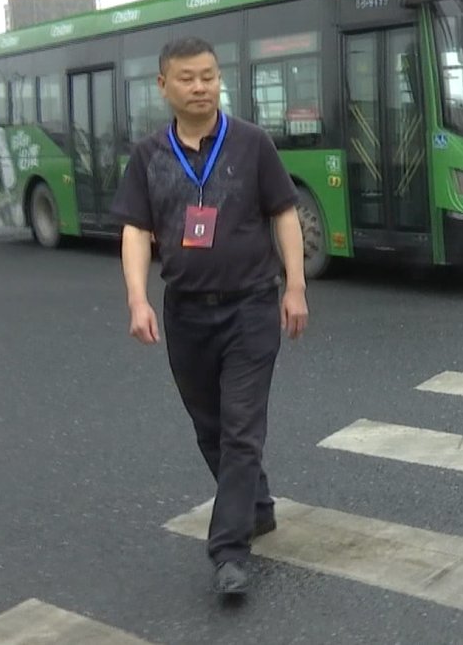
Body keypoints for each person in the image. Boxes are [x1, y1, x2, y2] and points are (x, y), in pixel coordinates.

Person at [111, 36, 309, 596]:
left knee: (242, 428)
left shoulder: (251, 143)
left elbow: (285, 214)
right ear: (163, 85)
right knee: (212, 429)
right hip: (186, 312)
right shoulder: (149, 155)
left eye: (209, 76)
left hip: (250, 306)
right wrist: (137, 297)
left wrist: (294, 286)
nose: (200, 87)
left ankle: (228, 552)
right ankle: (258, 504)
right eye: (188, 78)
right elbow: (136, 231)